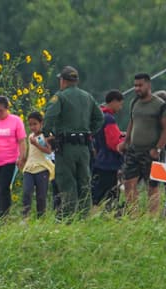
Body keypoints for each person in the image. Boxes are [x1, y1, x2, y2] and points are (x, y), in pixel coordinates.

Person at [42, 65, 104, 216]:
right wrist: (89, 132)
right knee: (84, 182)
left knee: (67, 181)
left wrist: (48, 134)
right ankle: (84, 217)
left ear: (63, 81)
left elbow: (49, 117)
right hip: (84, 148)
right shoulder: (87, 96)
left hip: (66, 147)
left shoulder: (60, 97)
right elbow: (99, 118)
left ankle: (69, 218)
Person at [121, 73, 166, 213]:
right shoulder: (134, 103)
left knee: (152, 186)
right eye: (135, 85)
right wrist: (126, 142)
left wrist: (158, 148)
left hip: (151, 151)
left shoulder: (159, 105)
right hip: (134, 150)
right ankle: (133, 216)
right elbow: (132, 122)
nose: (137, 88)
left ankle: (152, 218)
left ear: (148, 85)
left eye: (140, 85)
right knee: (128, 183)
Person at [0, 96, 27, 218]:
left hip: (9, 160)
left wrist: (22, 157)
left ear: (7, 109)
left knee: (3, 188)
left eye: (0, 110)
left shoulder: (16, 121)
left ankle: (5, 216)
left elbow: (22, 141)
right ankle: (0, 215)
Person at [92, 90, 126, 206]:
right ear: (114, 101)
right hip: (108, 162)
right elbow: (113, 143)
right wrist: (124, 141)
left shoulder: (98, 116)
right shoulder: (109, 119)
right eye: (120, 104)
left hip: (98, 159)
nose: (120, 108)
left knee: (97, 191)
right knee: (109, 194)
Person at [22, 111, 55, 218]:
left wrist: (36, 144)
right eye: (30, 124)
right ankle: (25, 216)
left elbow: (49, 151)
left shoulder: (46, 135)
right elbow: (30, 152)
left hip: (42, 168)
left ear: (41, 123)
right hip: (29, 168)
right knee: (27, 192)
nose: (32, 127)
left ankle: (41, 218)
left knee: (41, 196)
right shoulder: (30, 136)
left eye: (35, 124)